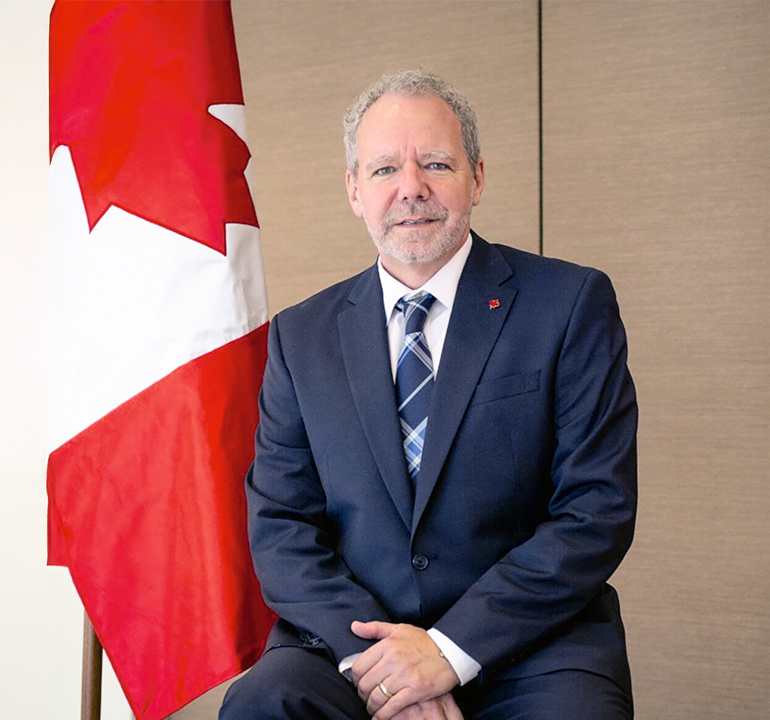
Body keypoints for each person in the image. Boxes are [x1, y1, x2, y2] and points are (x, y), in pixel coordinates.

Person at [220, 70, 638, 720]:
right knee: (260, 705)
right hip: (355, 644)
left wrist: (448, 650)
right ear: (354, 190)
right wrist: (385, 666)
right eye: (385, 169)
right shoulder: (300, 337)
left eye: (436, 164)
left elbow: (595, 509)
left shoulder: (570, 304)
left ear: (477, 177)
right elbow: (281, 526)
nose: (411, 186)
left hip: (532, 642)